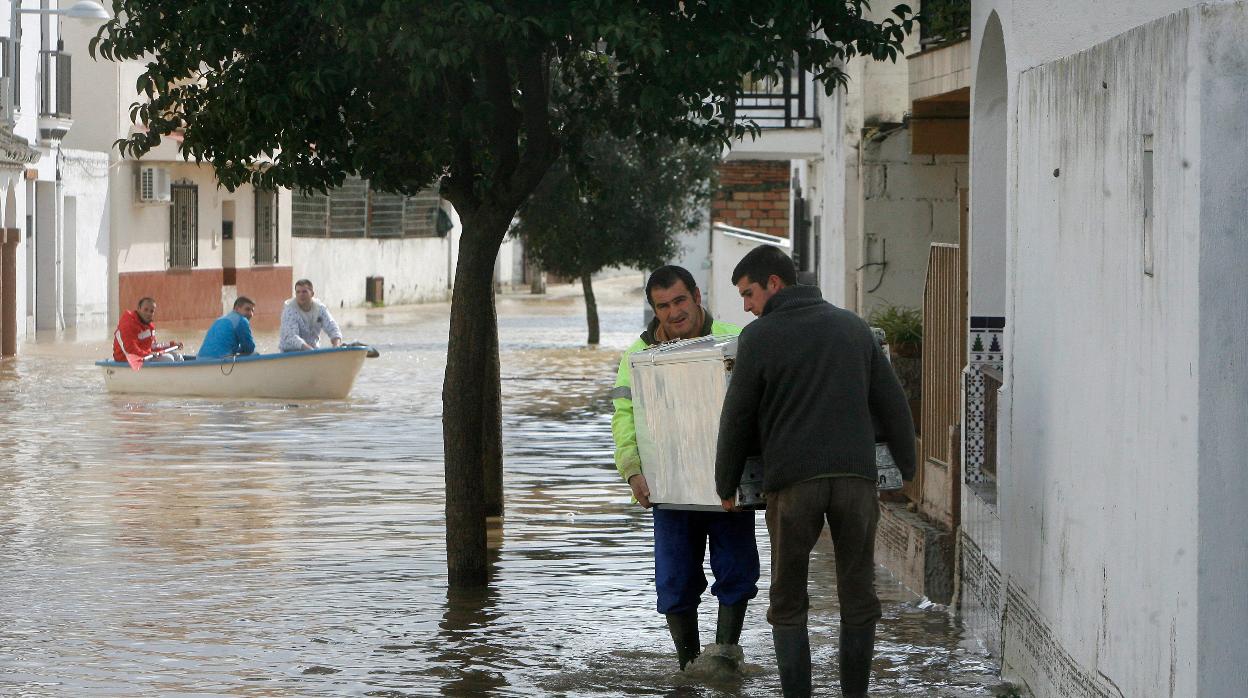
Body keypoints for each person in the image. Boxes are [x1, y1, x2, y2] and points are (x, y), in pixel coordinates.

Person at [714, 245, 915, 698]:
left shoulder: (760, 338)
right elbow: (893, 403)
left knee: (788, 599)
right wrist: (908, 465)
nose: (746, 306)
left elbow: (737, 418)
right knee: (858, 593)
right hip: (856, 482)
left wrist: (725, 484)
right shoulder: (853, 327)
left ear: (774, 284)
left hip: (792, 485)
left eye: (748, 294)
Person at [611, 265, 760, 672]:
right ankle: (688, 668)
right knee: (674, 582)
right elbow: (623, 417)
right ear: (654, 310)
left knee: (736, 572)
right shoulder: (636, 356)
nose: (674, 312)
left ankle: (726, 659)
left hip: (725, 483)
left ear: (696, 295)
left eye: (679, 300)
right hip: (670, 486)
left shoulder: (735, 338)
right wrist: (631, 469)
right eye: (663, 306)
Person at [112, 297, 183, 363]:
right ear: (139, 308)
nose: (148, 313)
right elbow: (130, 350)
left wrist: (172, 345)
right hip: (126, 359)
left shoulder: (149, 325)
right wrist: (148, 354)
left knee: (178, 357)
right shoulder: (127, 325)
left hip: (144, 355)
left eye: (151, 311)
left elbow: (153, 346)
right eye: (146, 310)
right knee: (168, 359)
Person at [279, 279, 342, 352]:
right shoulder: (290, 310)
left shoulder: (320, 309)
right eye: (298, 292)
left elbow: (332, 327)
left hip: (313, 351)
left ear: (312, 294)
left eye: (304, 292)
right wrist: (310, 350)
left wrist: (337, 346)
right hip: (291, 353)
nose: (301, 295)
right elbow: (291, 336)